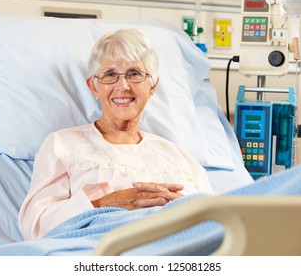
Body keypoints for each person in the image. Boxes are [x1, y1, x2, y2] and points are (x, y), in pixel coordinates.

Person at [18, 29, 214, 240]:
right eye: (110, 74)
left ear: (152, 86)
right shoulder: (62, 145)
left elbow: (219, 223)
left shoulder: (179, 158)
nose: (123, 86)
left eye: (134, 74)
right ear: (94, 86)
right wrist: (105, 203)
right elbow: (36, 227)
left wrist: (182, 208)